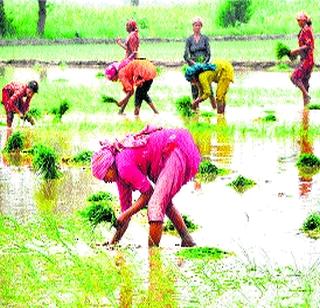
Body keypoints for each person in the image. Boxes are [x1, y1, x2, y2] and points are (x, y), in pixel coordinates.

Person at [91, 125, 200, 247]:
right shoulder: (121, 178)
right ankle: (188, 240)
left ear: (109, 166)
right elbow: (125, 217)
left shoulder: (123, 166)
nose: (105, 181)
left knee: (155, 204)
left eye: (104, 176)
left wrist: (125, 215)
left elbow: (148, 193)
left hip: (173, 148)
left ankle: (153, 255)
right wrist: (113, 243)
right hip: (166, 156)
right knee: (163, 201)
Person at [290, 12, 314, 106]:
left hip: (307, 60)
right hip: (307, 59)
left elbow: (308, 46)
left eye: (299, 20)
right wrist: (294, 54)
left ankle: (307, 96)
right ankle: (306, 109)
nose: (298, 22)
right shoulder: (304, 30)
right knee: (304, 83)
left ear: (304, 21)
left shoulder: (306, 30)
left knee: (294, 77)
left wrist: (296, 50)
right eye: (297, 20)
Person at [184, 16, 211, 99]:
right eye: (196, 25)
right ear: (193, 27)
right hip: (193, 66)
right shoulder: (189, 39)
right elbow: (186, 55)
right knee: (194, 87)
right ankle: (196, 108)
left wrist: (203, 63)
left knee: (207, 86)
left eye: (199, 25)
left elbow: (209, 54)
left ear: (201, 27)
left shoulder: (205, 38)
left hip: (203, 65)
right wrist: (194, 64)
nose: (197, 27)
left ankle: (214, 105)